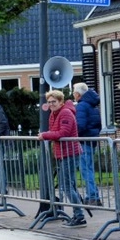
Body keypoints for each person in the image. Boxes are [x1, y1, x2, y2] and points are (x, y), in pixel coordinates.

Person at [38, 90, 85, 229]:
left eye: (54, 101)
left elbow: (63, 133)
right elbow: (54, 131)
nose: (51, 104)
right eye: (49, 102)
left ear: (61, 101)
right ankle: (78, 215)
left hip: (70, 153)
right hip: (63, 153)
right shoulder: (54, 113)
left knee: (66, 186)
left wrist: (45, 135)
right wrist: (47, 134)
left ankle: (79, 216)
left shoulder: (65, 113)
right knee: (70, 185)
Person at [73, 82, 103, 206]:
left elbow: (80, 125)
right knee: (89, 168)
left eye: (74, 92)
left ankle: (92, 196)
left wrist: (74, 135)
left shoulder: (81, 106)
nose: (73, 95)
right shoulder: (93, 105)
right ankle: (93, 195)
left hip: (84, 141)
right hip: (92, 140)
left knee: (86, 169)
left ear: (78, 94)